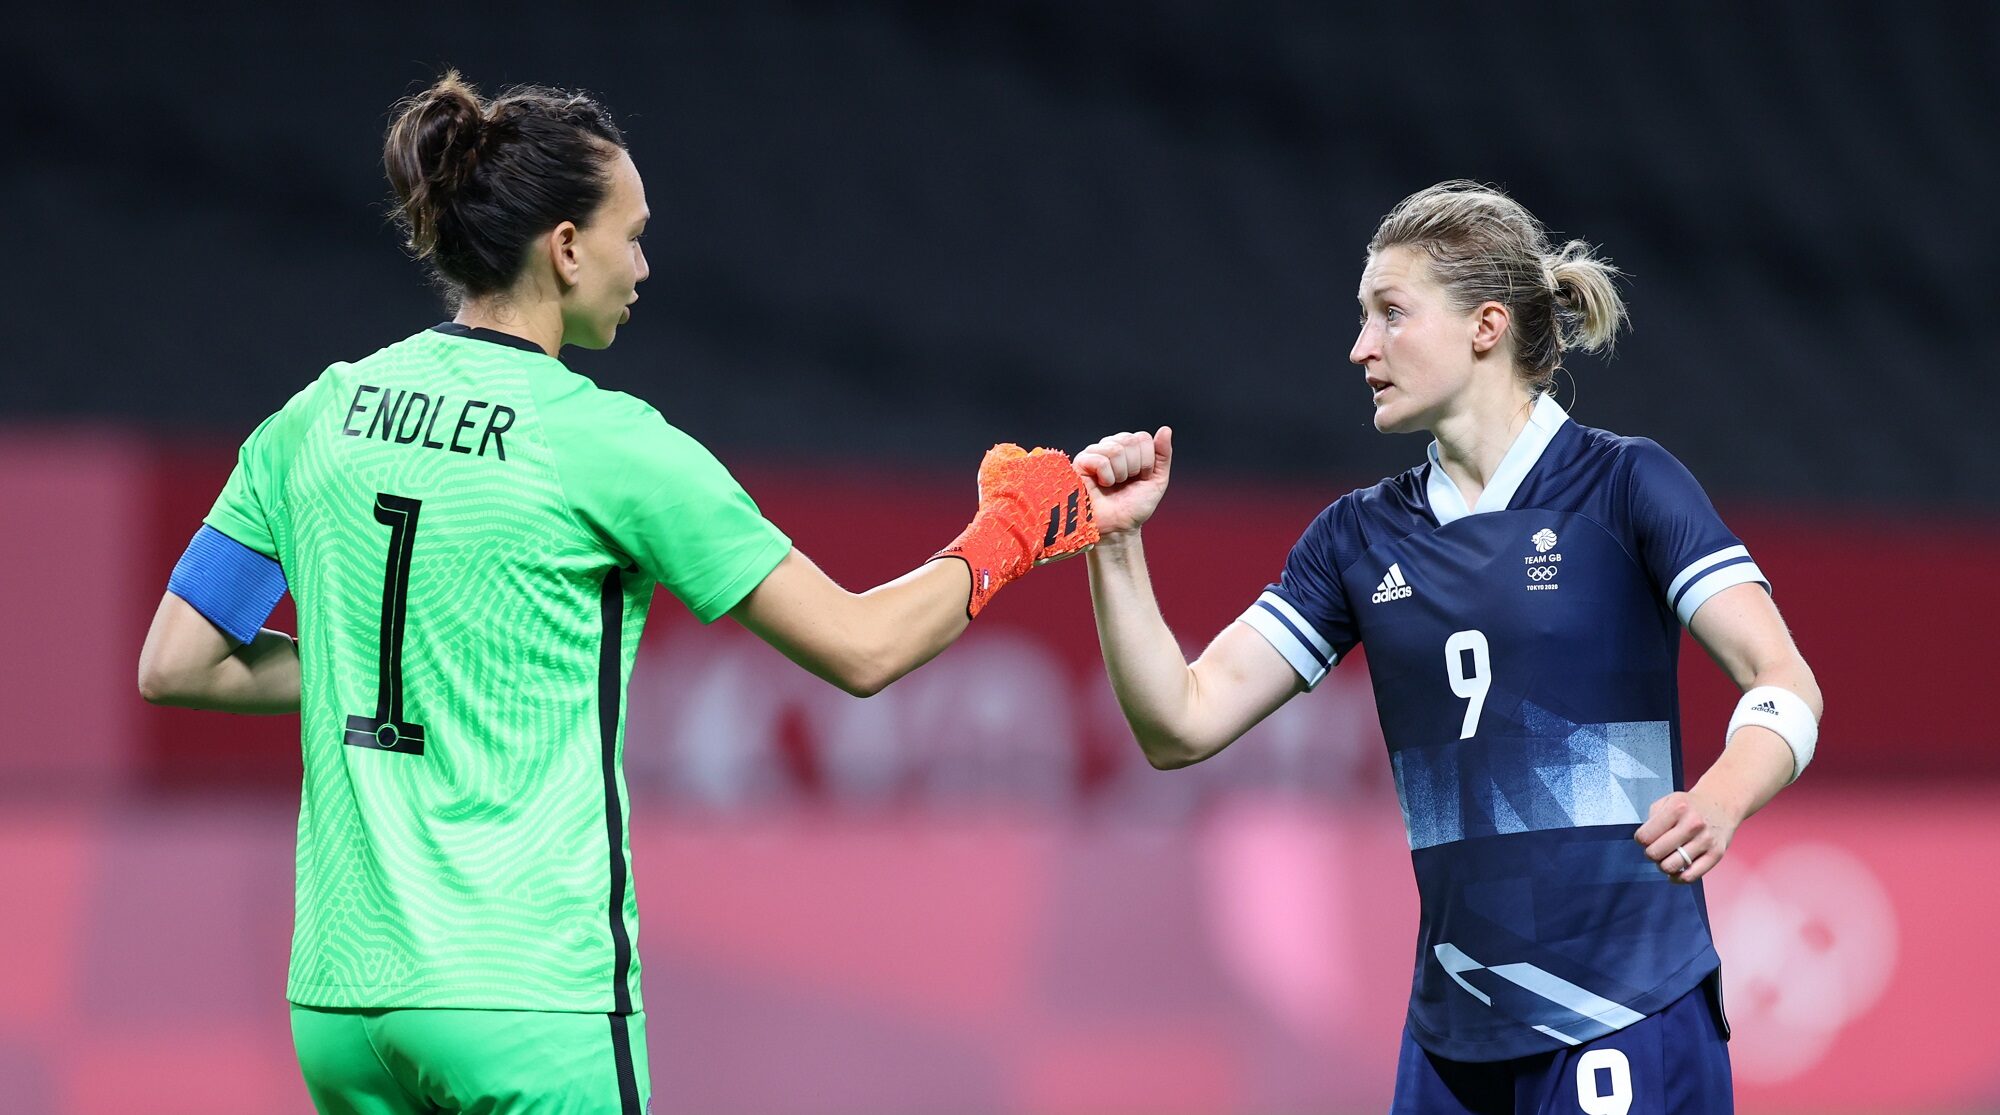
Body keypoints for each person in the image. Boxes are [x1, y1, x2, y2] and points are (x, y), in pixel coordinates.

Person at [135, 71, 1094, 1115]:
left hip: (339, 1001)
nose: (643, 265)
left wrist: (398, 651)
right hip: (525, 998)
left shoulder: (316, 414)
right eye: (630, 235)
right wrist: (1008, 529)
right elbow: (860, 648)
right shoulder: (607, 443)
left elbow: (177, 661)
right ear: (564, 247)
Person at [1074, 181, 1821, 1113]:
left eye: (1391, 314)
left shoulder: (1627, 485)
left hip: (1624, 1007)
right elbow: (1178, 722)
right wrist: (1116, 545)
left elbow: (1782, 677)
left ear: (1487, 327)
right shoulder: (1356, 539)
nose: (1361, 348)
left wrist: (1722, 795)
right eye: (1361, 319)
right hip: (1449, 1045)